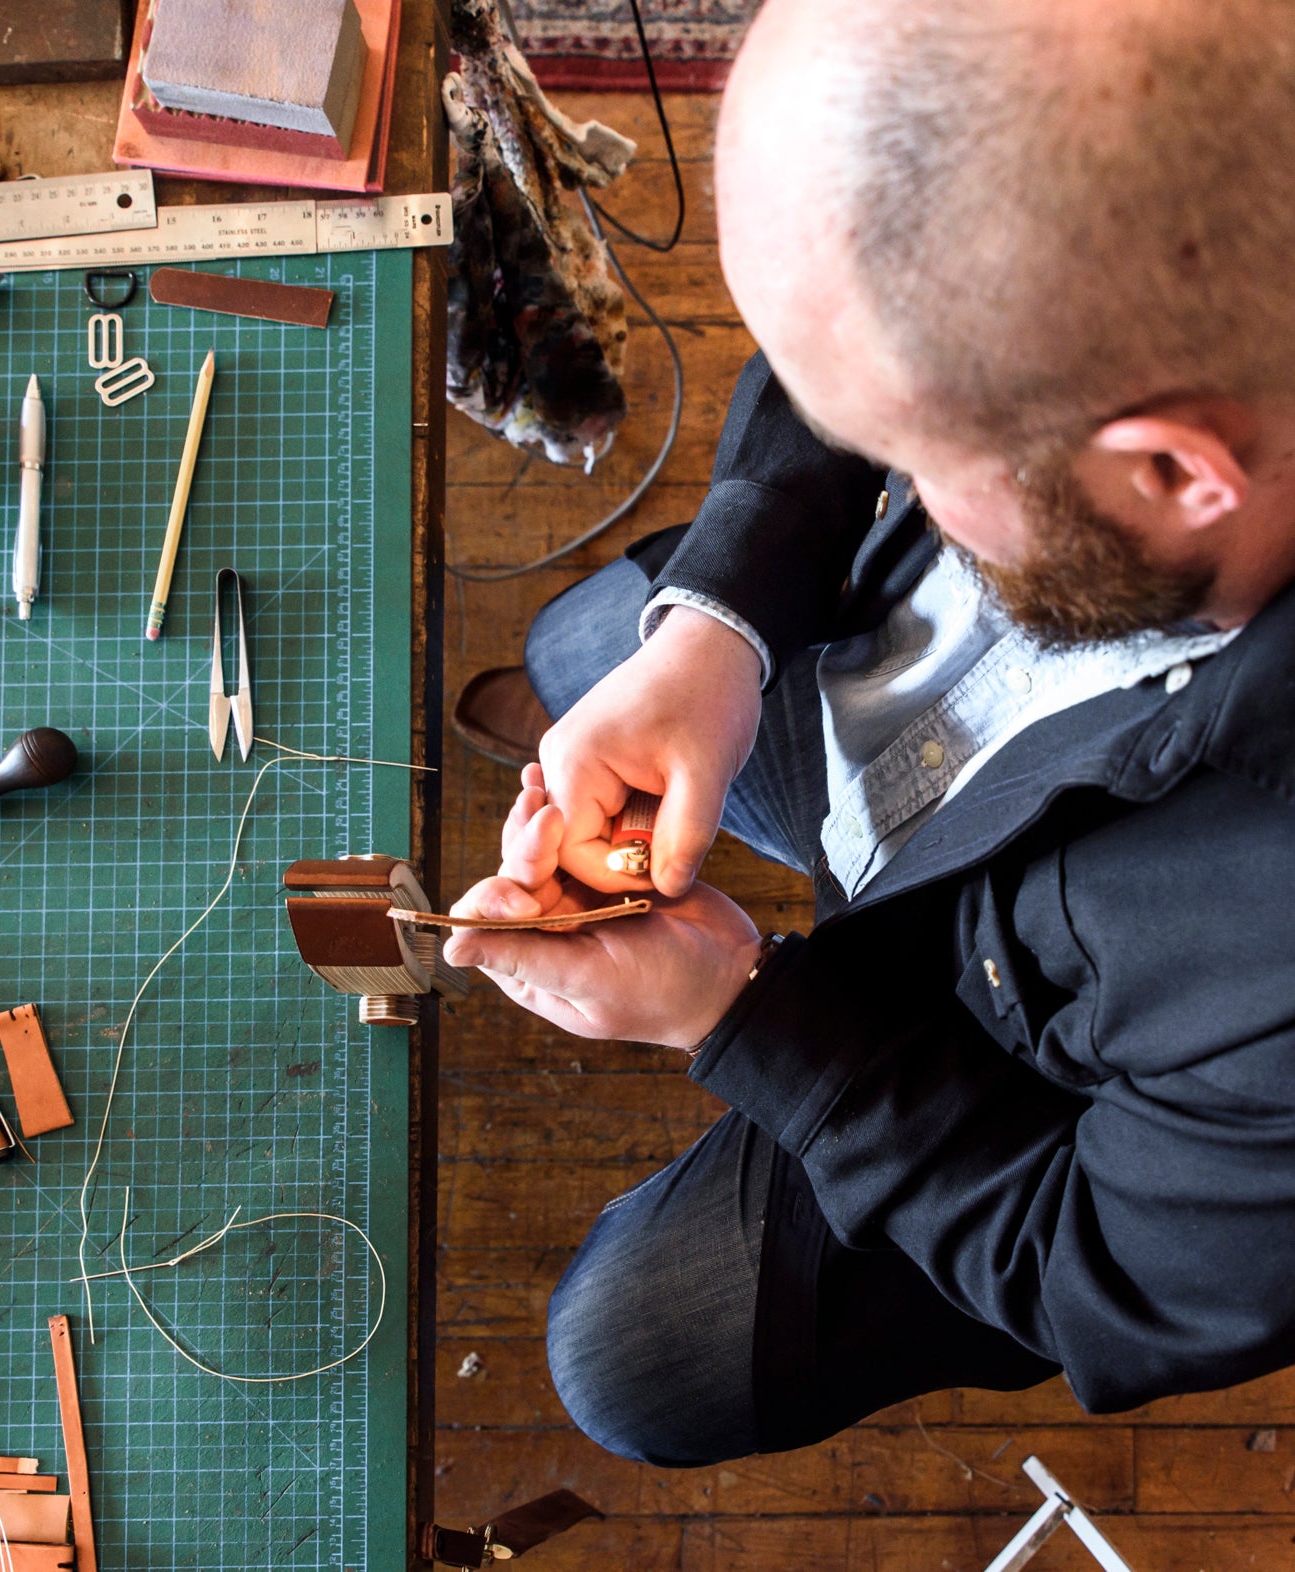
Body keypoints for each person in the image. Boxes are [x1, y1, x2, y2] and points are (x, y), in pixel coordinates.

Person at [444, 0, 1295, 1467]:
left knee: (636, 1355)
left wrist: (746, 1017)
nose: (875, 466)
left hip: (991, 1044)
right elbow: (887, 303)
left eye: (910, 454)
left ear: (1172, 465)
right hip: (943, 801)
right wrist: (716, 631)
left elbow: (1084, 1269)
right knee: (596, 646)